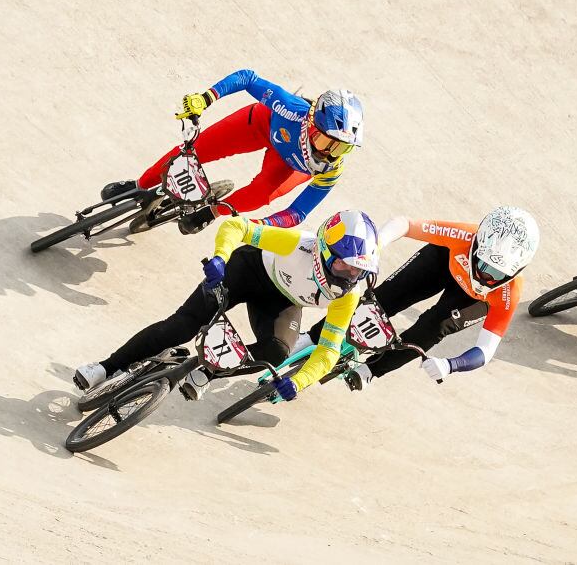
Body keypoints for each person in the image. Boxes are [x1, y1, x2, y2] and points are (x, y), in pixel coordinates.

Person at [73, 210, 380, 403]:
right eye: (345, 266)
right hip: (248, 270)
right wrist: (220, 256)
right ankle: (105, 367)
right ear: (323, 251)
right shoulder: (296, 244)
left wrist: (298, 382)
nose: (351, 276)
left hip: (280, 302)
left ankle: (208, 371)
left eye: (359, 271)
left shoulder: (347, 295)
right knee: (183, 325)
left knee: (276, 353)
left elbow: (328, 352)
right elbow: (237, 227)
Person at [304, 206, 539, 391]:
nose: (485, 275)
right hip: (443, 262)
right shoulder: (463, 235)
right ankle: (311, 337)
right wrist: (376, 247)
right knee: (386, 297)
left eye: (497, 273)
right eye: (483, 262)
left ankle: (371, 371)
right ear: (477, 243)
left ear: (516, 271)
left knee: (432, 328)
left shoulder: (509, 293)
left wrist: (450, 365)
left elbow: (485, 350)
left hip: (474, 299)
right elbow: (404, 224)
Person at [100, 69, 364, 233]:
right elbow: (248, 78)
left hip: (288, 165)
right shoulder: (290, 109)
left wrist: (257, 228)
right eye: (326, 142)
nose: (329, 153)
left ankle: (212, 211)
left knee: (260, 195)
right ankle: (142, 184)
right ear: (311, 124)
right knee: (196, 149)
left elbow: (297, 213)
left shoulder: (332, 169)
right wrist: (206, 98)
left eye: (341, 147)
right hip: (264, 123)